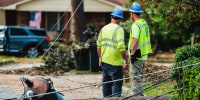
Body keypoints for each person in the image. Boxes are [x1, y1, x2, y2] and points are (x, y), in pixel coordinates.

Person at [96, 8, 128, 98]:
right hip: (115, 62)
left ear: (111, 17)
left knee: (106, 84)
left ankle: (106, 99)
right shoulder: (119, 30)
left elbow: (98, 45)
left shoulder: (104, 29)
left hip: (104, 61)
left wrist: (99, 57)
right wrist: (125, 59)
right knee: (116, 84)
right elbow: (121, 46)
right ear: (120, 19)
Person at [128, 3, 152, 96]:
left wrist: (132, 54)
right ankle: (139, 96)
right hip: (142, 55)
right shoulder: (144, 23)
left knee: (135, 79)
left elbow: (135, 41)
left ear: (133, 13)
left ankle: (137, 97)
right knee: (138, 78)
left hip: (137, 55)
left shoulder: (136, 25)